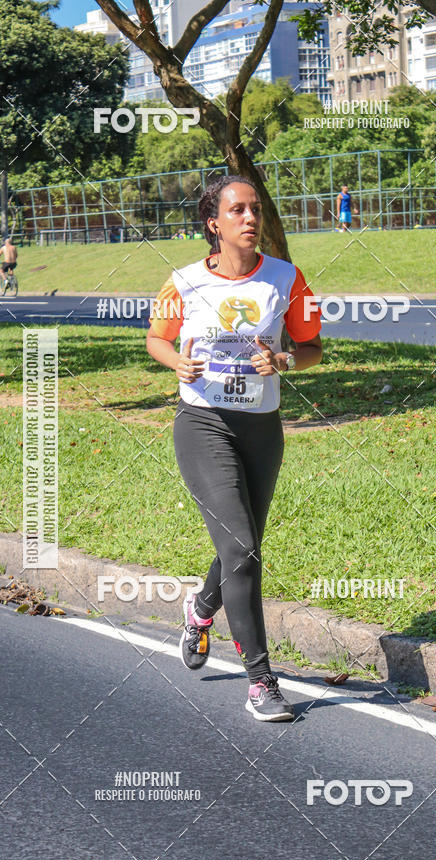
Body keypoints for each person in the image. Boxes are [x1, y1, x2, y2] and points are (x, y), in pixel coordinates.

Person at [146, 175, 322, 722]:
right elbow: (156, 337)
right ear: (213, 223)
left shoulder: (289, 279)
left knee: (239, 547)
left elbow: (314, 347)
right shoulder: (181, 281)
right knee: (243, 549)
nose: (250, 218)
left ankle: (200, 613)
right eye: (237, 210)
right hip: (202, 423)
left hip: (262, 430)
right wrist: (176, 362)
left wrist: (286, 361)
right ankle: (260, 682)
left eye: (255, 210)